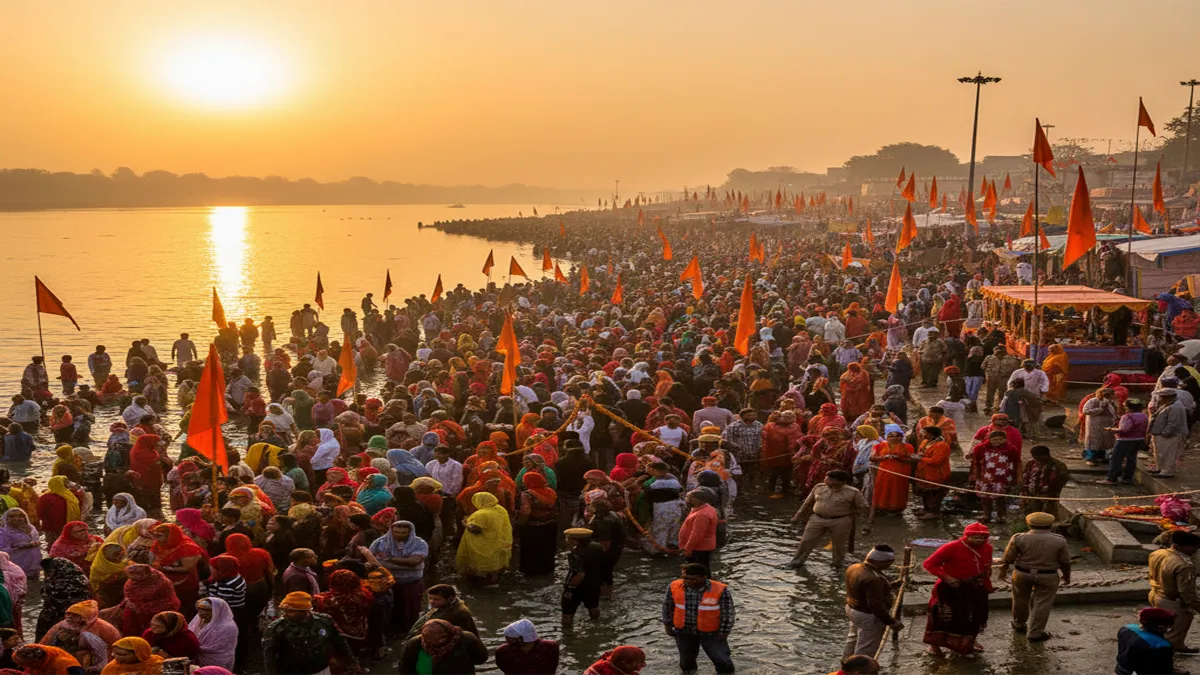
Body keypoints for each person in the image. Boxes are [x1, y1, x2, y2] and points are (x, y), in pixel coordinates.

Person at [922, 522, 994, 657]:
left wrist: (987, 585)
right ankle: (934, 645)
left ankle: (967, 643)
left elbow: (986, 568)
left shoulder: (988, 548)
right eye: (975, 537)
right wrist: (947, 577)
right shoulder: (951, 547)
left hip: (975, 587)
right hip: (951, 588)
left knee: (975, 616)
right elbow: (929, 564)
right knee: (944, 616)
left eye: (982, 537)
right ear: (966, 536)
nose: (979, 540)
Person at [997, 512, 1070, 642]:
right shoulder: (1059, 540)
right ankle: (1035, 632)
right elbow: (1065, 561)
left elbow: (1008, 558)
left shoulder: (1019, 538)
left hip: (1022, 573)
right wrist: (1066, 575)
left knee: (1020, 599)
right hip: (1048, 575)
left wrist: (1003, 570)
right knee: (1042, 603)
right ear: (1050, 525)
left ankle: (1019, 623)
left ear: (1029, 524)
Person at [661, 563, 734, 675]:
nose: (687, 581)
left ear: (704, 577)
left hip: (711, 632)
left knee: (722, 660)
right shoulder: (674, 586)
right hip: (684, 631)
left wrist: (724, 632)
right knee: (686, 663)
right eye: (685, 578)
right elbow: (667, 606)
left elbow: (728, 613)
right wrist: (667, 624)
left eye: (692, 579)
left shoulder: (720, 589)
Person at [262, 592, 359, 675]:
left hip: (321, 670)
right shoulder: (276, 628)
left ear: (305, 611)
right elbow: (269, 657)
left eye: (291, 611)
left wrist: (352, 664)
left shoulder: (324, 621)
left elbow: (340, 643)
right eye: (285, 610)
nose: (286, 614)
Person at [789, 470, 868, 567]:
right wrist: (797, 516)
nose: (825, 481)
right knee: (806, 541)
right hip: (817, 519)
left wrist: (864, 522)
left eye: (829, 479)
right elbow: (807, 502)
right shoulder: (819, 487)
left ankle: (837, 565)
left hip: (840, 520)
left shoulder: (853, 492)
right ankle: (797, 562)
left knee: (839, 546)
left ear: (839, 481)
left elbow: (863, 507)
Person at [368, 520, 428, 635]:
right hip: (387, 582)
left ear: (410, 532)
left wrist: (389, 560)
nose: (399, 535)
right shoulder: (380, 542)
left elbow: (414, 561)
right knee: (390, 606)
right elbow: (370, 557)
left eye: (403, 533)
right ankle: (391, 630)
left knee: (410, 607)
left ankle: (409, 631)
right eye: (396, 532)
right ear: (391, 531)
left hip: (410, 581)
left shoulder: (419, 543)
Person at [842, 545, 903, 659]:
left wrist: (892, 585)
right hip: (868, 616)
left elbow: (864, 590)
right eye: (889, 562)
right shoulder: (874, 579)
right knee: (866, 647)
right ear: (881, 561)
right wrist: (891, 622)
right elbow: (876, 606)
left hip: (853, 609)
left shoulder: (854, 567)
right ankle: (861, 666)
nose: (890, 565)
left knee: (853, 639)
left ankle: (846, 663)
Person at [1147, 529, 1200, 654]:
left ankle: (1177, 645)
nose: (1196, 550)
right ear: (1181, 546)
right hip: (1173, 601)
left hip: (1156, 594)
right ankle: (1168, 655)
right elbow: (1186, 592)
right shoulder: (1184, 566)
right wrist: (1196, 606)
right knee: (1175, 630)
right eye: (1194, 547)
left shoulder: (1157, 553)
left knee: (1160, 626)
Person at [396, 619, 488, 675]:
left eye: (441, 638)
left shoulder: (467, 638)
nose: (438, 642)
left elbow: (481, 658)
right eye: (427, 640)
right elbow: (405, 666)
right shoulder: (414, 643)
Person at [455, 493, 511, 584]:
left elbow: (475, 529)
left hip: (483, 544)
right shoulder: (500, 509)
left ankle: (485, 584)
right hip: (497, 541)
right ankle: (495, 580)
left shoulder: (482, 514)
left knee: (483, 564)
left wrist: (466, 523)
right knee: (494, 562)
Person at [970, 430, 1021, 523]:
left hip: (1003, 478)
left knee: (1001, 498)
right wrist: (976, 475)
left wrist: (1016, 477)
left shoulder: (1011, 449)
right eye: (995, 439)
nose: (998, 442)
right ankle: (986, 515)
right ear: (989, 439)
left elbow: (1016, 462)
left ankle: (1001, 516)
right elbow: (976, 462)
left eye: (1001, 439)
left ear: (1005, 439)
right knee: (985, 498)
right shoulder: (981, 448)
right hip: (985, 477)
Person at [561, 528, 604, 628]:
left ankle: (567, 633)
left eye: (568, 539)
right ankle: (595, 626)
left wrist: (570, 588)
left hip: (578, 587)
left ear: (575, 541)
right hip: (594, 584)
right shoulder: (597, 547)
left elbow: (580, 574)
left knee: (567, 612)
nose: (566, 540)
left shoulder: (575, 554)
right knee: (593, 606)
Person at [1100, 399, 1148, 486]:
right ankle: (1127, 478)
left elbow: (1124, 430)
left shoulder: (1127, 417)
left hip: (1125, 440)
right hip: (1139, 439)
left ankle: (1112, 478)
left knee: (1116, 458)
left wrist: (1111, 429)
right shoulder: (1144, 415)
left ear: (1128, 407)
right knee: (1131, 459)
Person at [1115, 608, 1177, 675]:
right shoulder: (1159, 645)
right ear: (1161, 628)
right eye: (1168, 626)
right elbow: (1162, 669)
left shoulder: (1126, 628)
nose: (1167, 629)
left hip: (1122, 668)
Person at [187, 598, 238, 672]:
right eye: (199, 609)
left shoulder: (228, 627)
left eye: (207, 610)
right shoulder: (198, 620)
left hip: (217, 661)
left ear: (217, 610)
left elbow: (217, 648)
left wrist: (195, 648)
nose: (201, 612)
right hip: (196, 659)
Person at [1019, 445, 1070, 515]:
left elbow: (1061, 482)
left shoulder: (1058, 465)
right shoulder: (1031, 463)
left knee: (1047, 516)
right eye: (1034, 457)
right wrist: (1023, 491)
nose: (1036, 460)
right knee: (1032, 515)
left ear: (1046, 455)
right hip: (1031, 495)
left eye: (1038, 457)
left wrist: (1048, 490)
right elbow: (1025, 477)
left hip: (1049, 497)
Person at [1150, 389, 1189, 478]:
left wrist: (1165, 433)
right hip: (1162, 434)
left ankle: (1167, 471)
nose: (1159, 399)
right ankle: (1160, 468)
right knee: (1161, 453)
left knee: (1169, 454)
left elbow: (1174, 423)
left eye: (1161, 397)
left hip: (1172, 435)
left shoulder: (1176, 407)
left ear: (1167, 397)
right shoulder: (1168, 404)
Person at [678, 489, 718, 569]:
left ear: (699, 500)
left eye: (690, 499)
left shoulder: (702, 515)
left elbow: (696, 534)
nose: (687, 501)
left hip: (699, 548)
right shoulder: (705, 508)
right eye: (687, 498)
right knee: (703, 568)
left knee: (697, 570)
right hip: (702, 546)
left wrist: (687, 549)